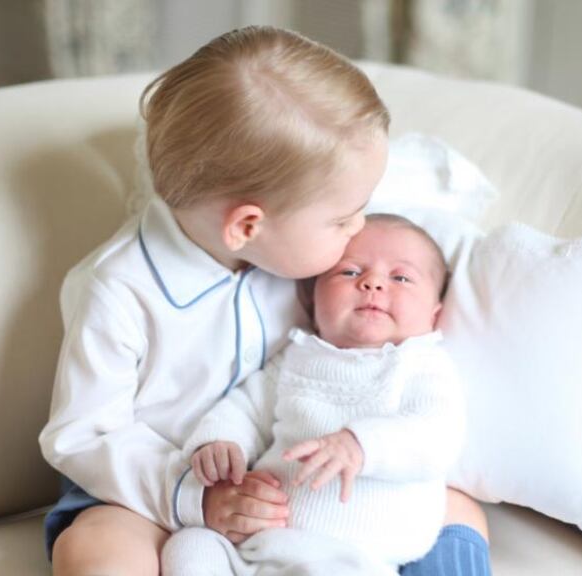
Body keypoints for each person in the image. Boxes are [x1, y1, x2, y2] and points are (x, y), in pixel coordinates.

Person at [38, 25, 489, 576]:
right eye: (344, 219)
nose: (359, 228)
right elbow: (84, 434)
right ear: (247, 224)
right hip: (149, 491)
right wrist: (194, 498)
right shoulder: (118, 289)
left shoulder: (300, 251)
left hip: (294, 488)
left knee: (459, 508)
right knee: (96, 549)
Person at [162, 215, 470, 575]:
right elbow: (246, 407)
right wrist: (220, 441)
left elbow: (438, 436)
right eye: (350, 272)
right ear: (312, 298)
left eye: (400, 277)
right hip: (256, 549)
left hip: (351, 559)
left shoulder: (422, 364)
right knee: (190, 544)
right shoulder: (297, 356)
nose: (372, 283)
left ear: (434, 315)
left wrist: (361, 445)